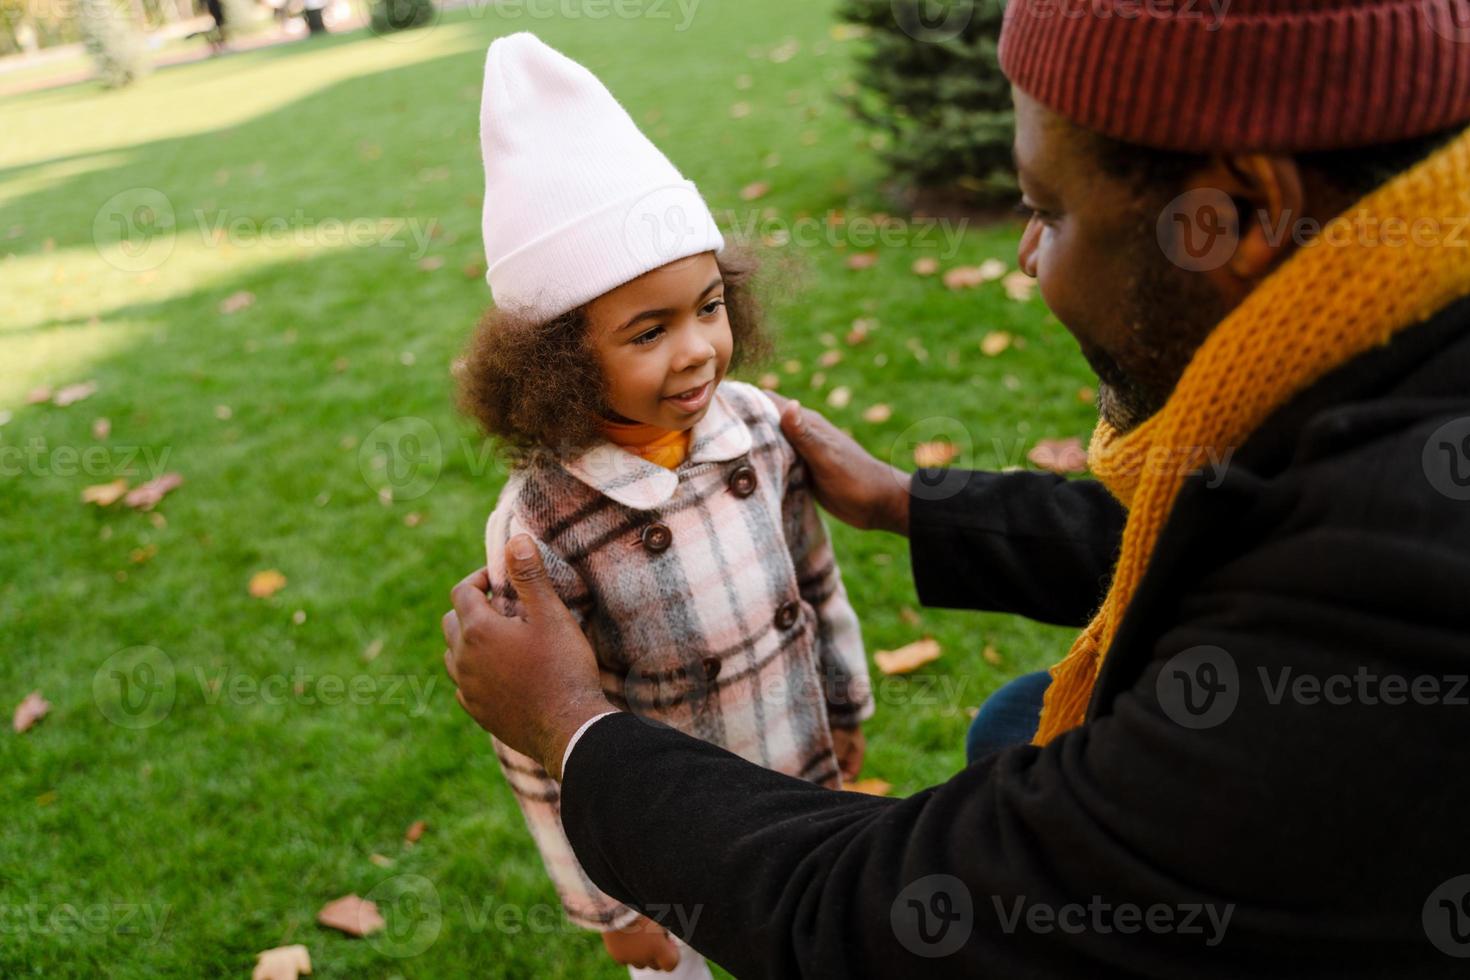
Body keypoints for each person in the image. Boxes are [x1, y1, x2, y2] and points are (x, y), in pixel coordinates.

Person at [444, 2, 1470, 975]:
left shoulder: (1389, 592)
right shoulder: (1390, 367)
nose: (1025, 258)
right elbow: (1202, 536)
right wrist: (906, 501)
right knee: (1018, 718)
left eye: (1047, 211)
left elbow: (905, 922)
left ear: (1236, 212)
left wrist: (576, 727)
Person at [459, 33, 875, 977]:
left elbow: (813, 578)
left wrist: (845, 699)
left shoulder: (759, 431)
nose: (696, 350)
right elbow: (533, 738)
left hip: (798, 790)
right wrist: (605, 902)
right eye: (648, 331)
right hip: (658, 848)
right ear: (558, 359)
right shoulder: (540, 529)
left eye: (709, 305)